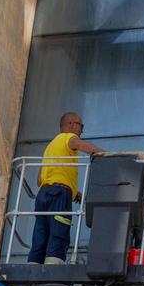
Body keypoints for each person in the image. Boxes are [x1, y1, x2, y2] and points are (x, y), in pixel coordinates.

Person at [28, 112, 103, 264]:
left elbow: (39, 180)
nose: (82, 131)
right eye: (81, 126)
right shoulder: (68, 137)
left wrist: (75, 193)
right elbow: (83, 146)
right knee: (59, 231)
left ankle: (33, 266)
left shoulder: (50, 146)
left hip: (43, 194)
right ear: (72, 124)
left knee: (41, 233)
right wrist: (108, 155)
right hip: (59, 194)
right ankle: (53, 269)